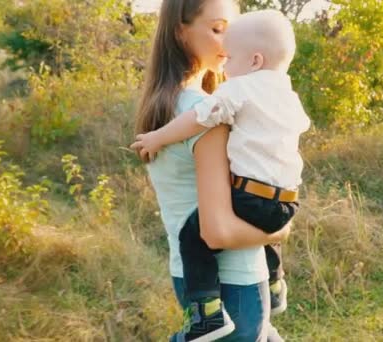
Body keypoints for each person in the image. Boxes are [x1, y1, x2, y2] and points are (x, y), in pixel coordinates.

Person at [131, 8, 309, 339]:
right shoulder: (205, 112)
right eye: (218, 30)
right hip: (235, 281)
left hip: (199, 278)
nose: (227, 47)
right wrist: (278, 235)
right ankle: (274, 281)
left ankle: (267, 286)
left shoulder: (166, 106)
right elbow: (216, 233)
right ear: (180, 32)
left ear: (255, 59)